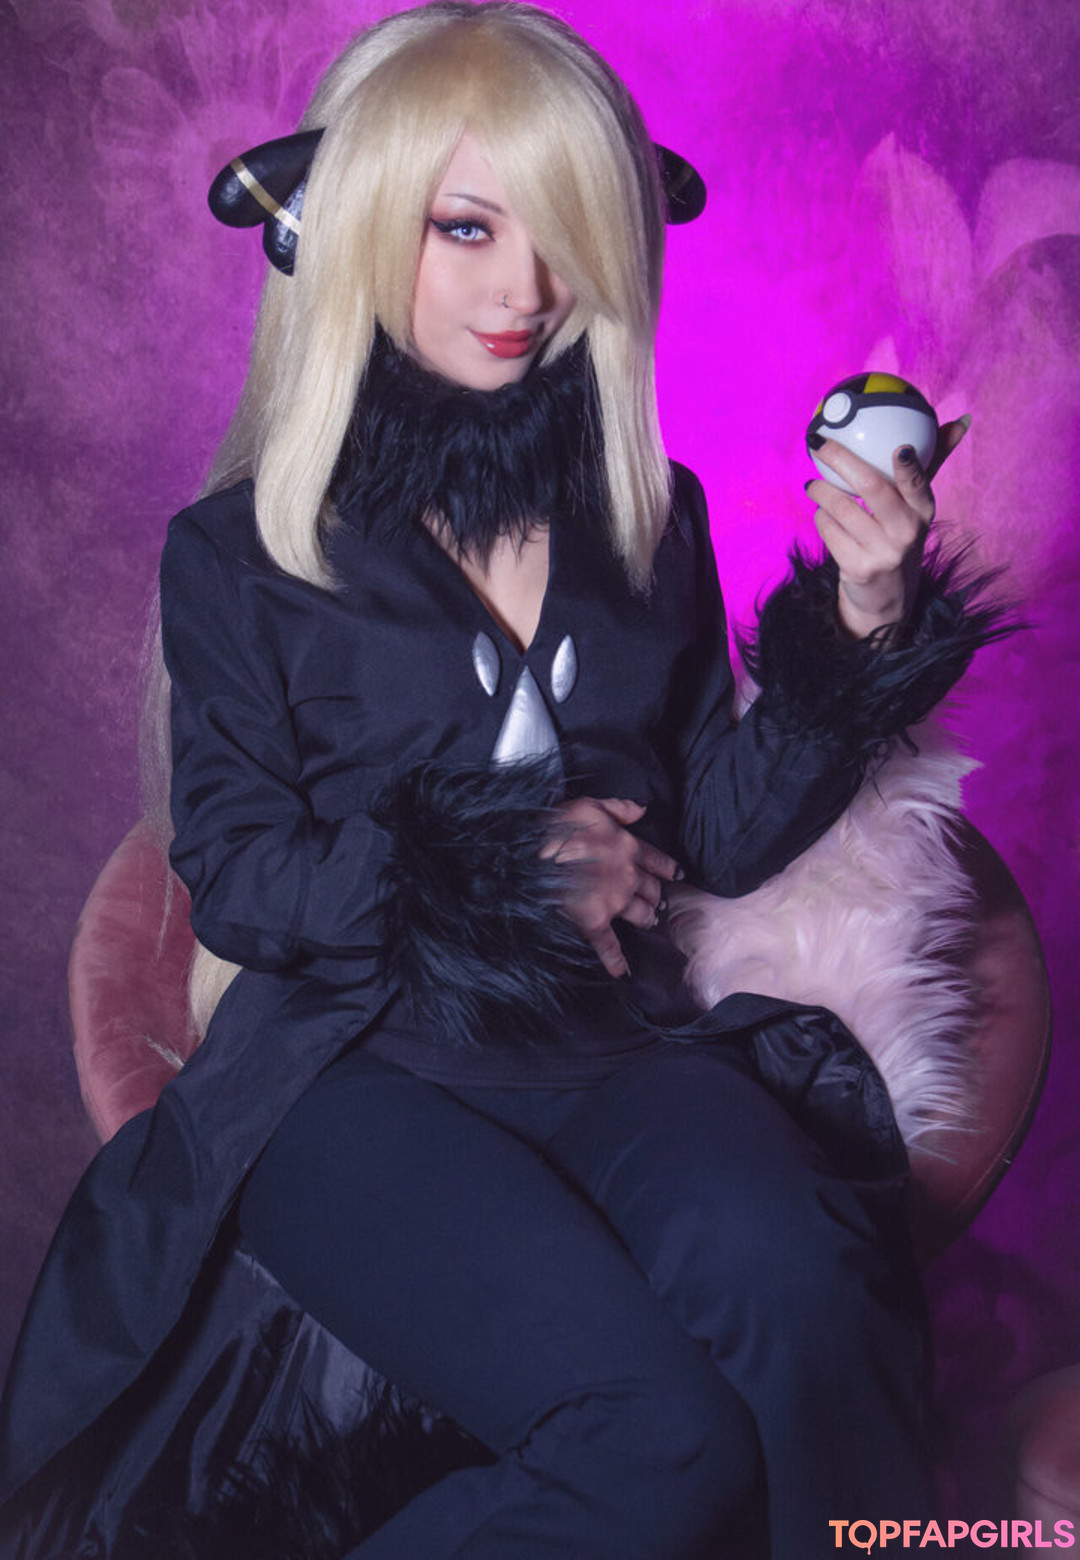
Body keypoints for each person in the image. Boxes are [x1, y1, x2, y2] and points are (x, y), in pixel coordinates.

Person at [0, 4, 1005, 1556]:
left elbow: (717, 831)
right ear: (356, 226)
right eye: (464, 227)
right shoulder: (240, 551)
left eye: (559, 230)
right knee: (657, 1440)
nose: (525, 288)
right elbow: (246, 880)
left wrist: (862, 624)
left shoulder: (649, 513)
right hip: (349, 1077)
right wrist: (504, 863)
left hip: (610, 1048)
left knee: (813, 1294)